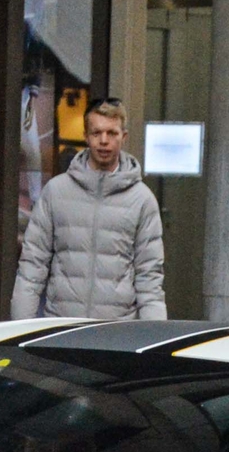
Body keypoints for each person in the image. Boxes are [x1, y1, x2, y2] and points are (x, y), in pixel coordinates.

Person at [10, 100, 166, 323]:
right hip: (61, 328)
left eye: (111, 133)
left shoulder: (142, 200)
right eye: (97, 132)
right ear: (86, 136)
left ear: (124, 137)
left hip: (117, 333)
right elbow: (32, 268)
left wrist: (154, 342)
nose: (104, 140)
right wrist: (19, 330)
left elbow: (149, 278)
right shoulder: (56, 191)